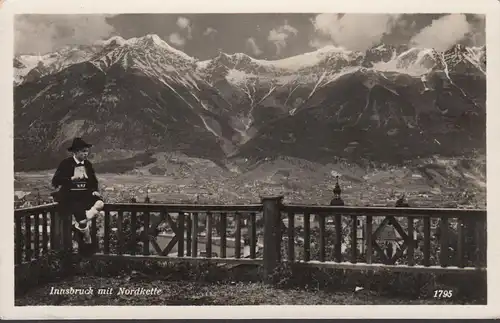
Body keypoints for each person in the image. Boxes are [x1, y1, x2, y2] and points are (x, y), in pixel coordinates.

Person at [51, 137, 103, 256]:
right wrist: (70, 179)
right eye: (83, 151)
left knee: (100, 204)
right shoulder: (66, 163)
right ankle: (88, 242)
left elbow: (94, 181)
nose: (86, 154)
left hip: (85, 196)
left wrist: (94, 190)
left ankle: (78, 226)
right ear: (75, 152)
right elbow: (55, 181)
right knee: (83, 220)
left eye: (87, 151)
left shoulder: (88, 165)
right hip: (71, 197)